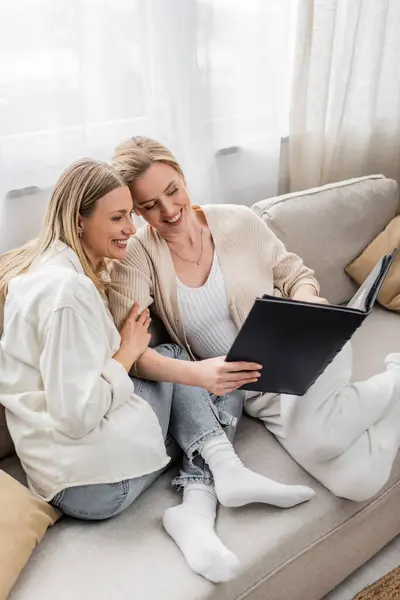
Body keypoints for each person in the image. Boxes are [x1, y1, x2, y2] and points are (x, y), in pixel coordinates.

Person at [0, 159, 315, 584]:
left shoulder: (48, 274)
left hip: (71, 471)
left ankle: (198, 510)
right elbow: (76, 415)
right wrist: (127, 354)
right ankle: (221, 472)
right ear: (79, 221)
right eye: (117, 217)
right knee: (188, 366)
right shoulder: (65, 293)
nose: (132, 228)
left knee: (214, 380)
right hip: (94, 485)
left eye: (131, 214)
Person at [109, 135, 400, 504]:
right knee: (359, 482)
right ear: (136, 211)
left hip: (303, 350)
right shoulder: (136, 258)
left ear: (183, 176)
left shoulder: (238, 220)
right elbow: (132, 353)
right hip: (256, 394)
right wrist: (198, 375)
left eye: (173, 190)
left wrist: (307, 302)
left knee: (322, 436)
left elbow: (296, 275)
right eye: (150, 205)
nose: (168, 210)